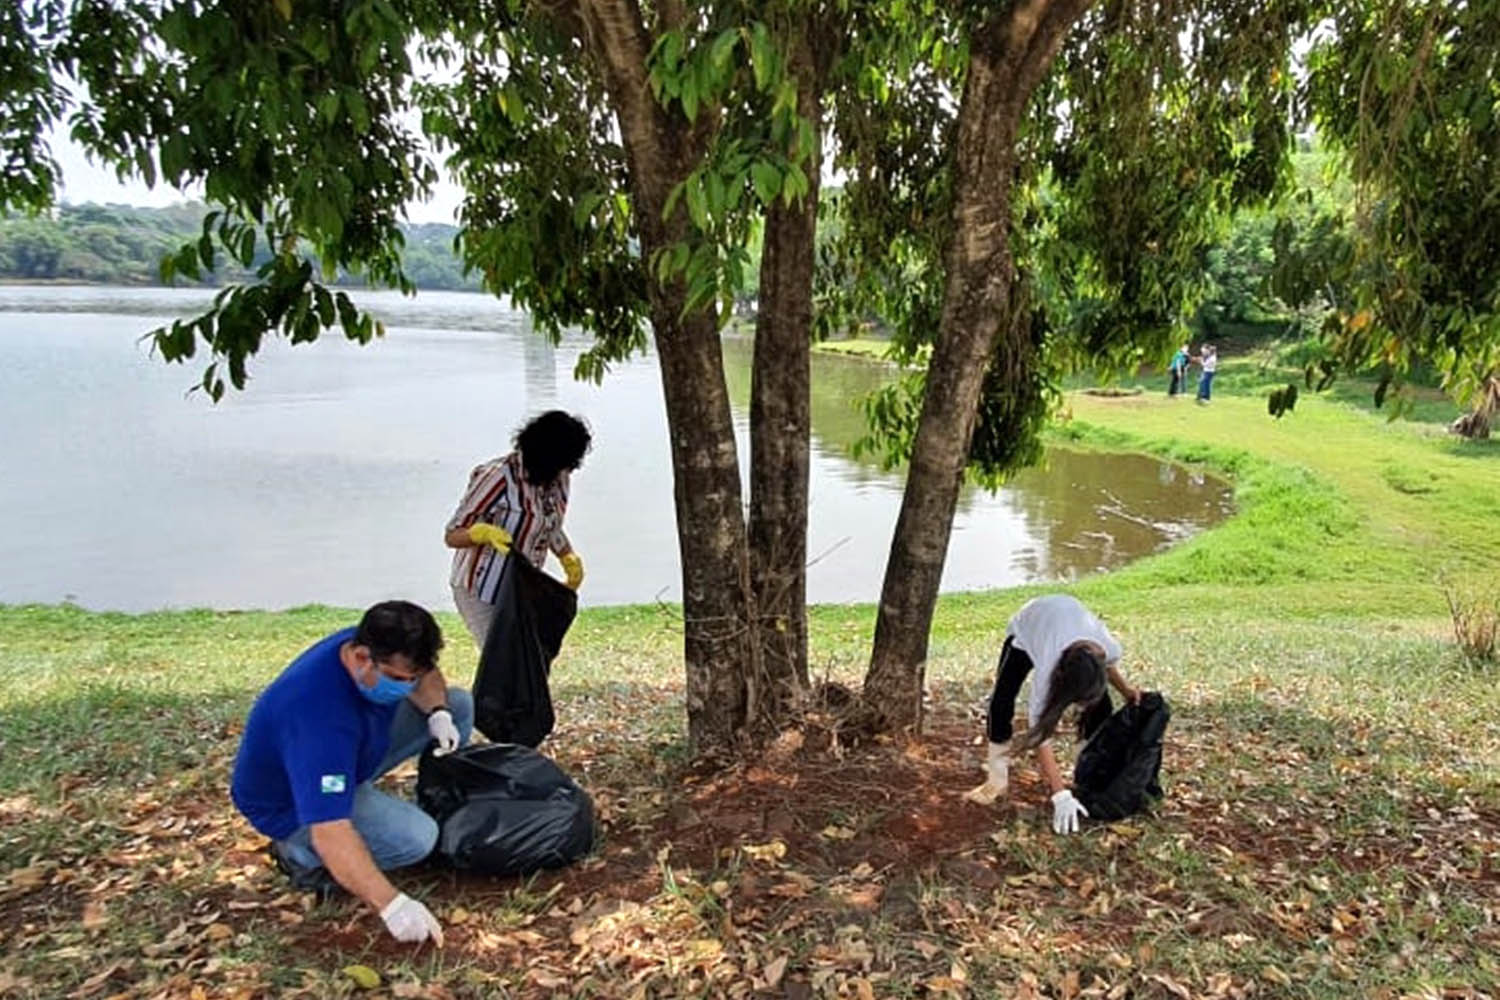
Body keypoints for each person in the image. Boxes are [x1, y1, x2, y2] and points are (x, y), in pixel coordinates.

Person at [230, 601, 474, 945]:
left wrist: (437, 713)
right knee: (417, 839)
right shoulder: (319, 723)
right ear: (361, 658)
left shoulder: (371, 643)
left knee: (457, 706)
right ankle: (297, 855)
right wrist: (392, 906)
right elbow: (330, 830)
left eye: (411, 680)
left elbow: (425, 674)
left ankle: (372, 801)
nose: (407, 687)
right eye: (397, 680)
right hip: (291, 804)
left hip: (354, 752)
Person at [965, 594, 1142, 835]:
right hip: (1029, 627)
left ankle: (1087, 772)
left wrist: (1127, 690)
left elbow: (1108, 666)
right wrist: (1059, 794)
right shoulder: (1048, 666)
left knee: (1102, 706)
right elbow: (1040, 735)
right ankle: (996, 779)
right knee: (1002, 701)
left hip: (1068, 617)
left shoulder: (1108, 648)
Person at [444, 411, 592, 647]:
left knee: (530, 659)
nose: (562, 474)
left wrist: (567, 555)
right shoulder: (497, 476)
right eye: (558, 467)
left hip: (523, 586)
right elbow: (452, 535)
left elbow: (549, 523)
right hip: (481, 588)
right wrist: (481, 534)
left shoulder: (560, 475)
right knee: (502, 661)